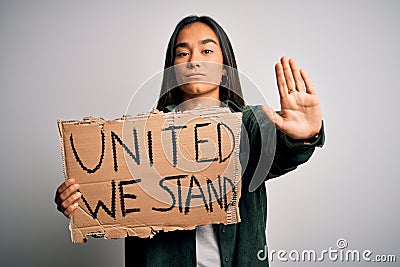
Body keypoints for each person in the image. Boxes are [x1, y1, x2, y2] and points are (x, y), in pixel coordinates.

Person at [55, 15, 324, 266]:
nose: (194, 60)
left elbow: (282, 152)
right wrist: (82, 201)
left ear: (224, 69)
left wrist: (302, 136)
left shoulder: (250, 124)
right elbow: (115, 203)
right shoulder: (139, 136)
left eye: (206, 51)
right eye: (183, 53)